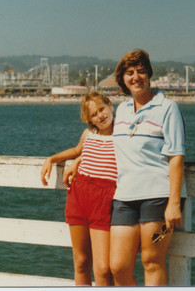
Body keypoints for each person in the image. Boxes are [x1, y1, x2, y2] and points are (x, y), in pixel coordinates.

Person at [110, 48, 186, 286]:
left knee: (152, 262)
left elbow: (176, 156)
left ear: (150, 74)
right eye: (130, 73)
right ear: (123, 79)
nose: (136, 77)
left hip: (158, 198)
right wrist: (79, 159)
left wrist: (173, 203)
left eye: (141, 71)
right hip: (124, 198)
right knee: (119, 267)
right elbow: (105, 142)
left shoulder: (168, 108)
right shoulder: (121, 110)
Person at [40, 92, 117, 286]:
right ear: (88, 119)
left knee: (102, 268)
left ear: (110, 106)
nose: (100, 115)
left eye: (101, 109)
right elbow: (77, 150)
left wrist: (79, 160)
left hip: (105, 199)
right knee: (81, 261)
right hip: (79, 195)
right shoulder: (89, 134)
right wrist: (52, 159)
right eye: (93, 114)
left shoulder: (122, 134)